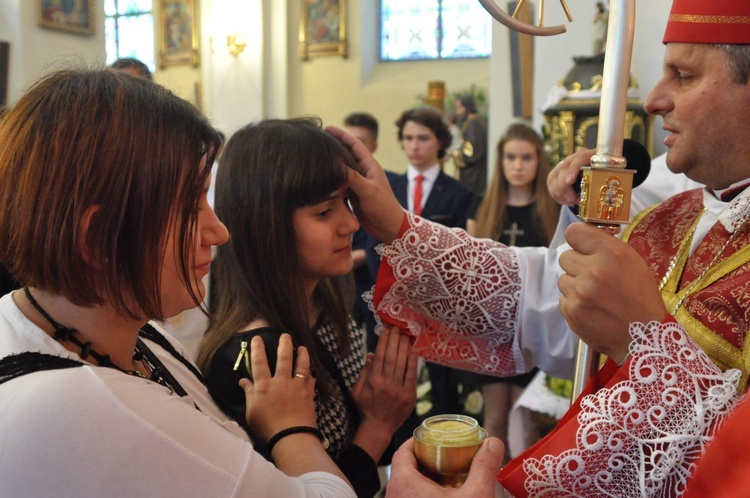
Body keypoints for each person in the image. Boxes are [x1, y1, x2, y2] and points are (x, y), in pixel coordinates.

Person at [328, 0, 749, 494]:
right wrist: (396, 226)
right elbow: (545, 310)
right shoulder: (668, 220)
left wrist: (645, 341)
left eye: (683, 75)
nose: (655, 100)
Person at [0, 68, 355, 497]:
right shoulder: (73, 405)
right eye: (190, 208)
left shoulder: (127, 331)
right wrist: (291, 429)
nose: (219, 232)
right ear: (96, 237)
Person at [197, 118, 418, 498]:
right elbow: (313, 489)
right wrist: (378, 425)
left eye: (347, 204)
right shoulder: (259, 355)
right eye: (323, 212)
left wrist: (375, 409)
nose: (350, 224)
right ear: (267, 225)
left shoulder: (325, 306)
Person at [462, 123, 559, 460]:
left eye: (526, 158)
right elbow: (472, 270)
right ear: (500, 161)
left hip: (532, 327)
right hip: (492, 326)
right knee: (494, 420)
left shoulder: (552, 209)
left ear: (539, 162)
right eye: (510, 157)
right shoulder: (483, 206)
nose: (518, 165)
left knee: (524, 421)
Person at [387, 107, 476, 419]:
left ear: (439, 142)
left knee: (441, 394)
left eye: (423, 138)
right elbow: (376, 245)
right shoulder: (387, 189)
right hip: (392, 306)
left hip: (440, 310)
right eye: (408, 138)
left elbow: (461, 252)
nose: (414, 145)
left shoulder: (460, 194)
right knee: (393, 389)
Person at [343, 112, 382, 354]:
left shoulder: (384, 186)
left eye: (360, 142)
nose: (351, 150)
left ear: (373, 147)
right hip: (341, 287)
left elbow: (378, 239)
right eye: (347, 142)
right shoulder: (331, 183)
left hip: (371, 282)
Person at [453, 95, 488, 195]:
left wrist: (455, 153)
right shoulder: (473, 123)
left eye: (459, 108)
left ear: (467, 108)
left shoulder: (474, 125)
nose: (457, 112)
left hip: (473, 176)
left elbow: (470, 152)